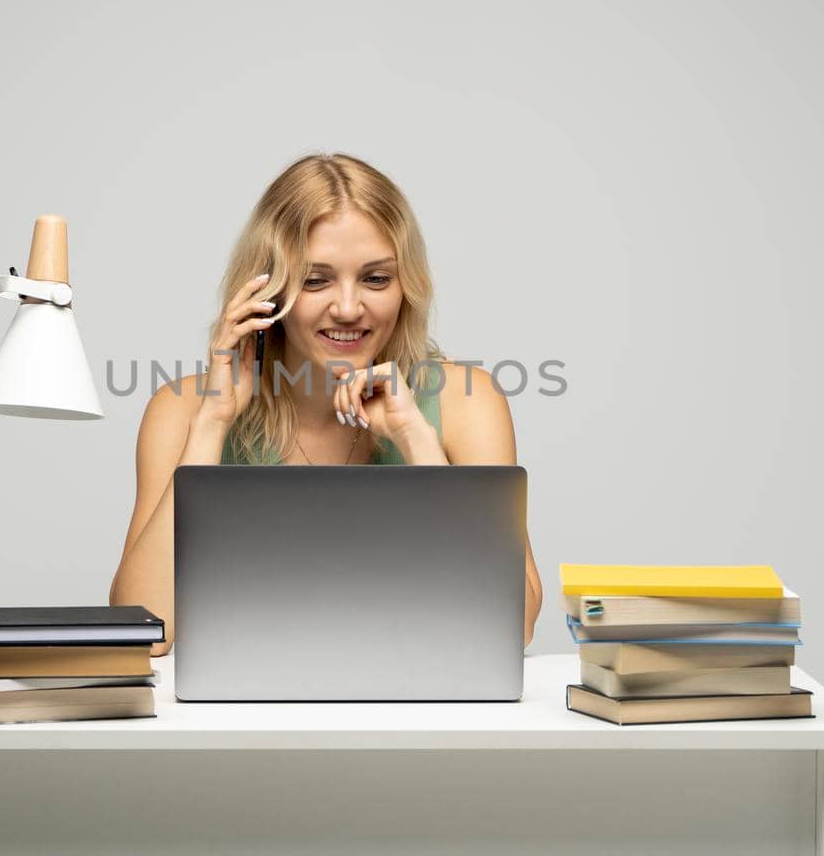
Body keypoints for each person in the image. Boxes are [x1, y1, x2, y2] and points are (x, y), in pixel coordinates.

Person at [110, 153, 541, 656]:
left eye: (376, 279)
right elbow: (144, 633)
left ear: (407, 289)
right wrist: (212, 422)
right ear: (268, 291)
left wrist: (418, 440)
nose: (349, 308)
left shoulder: (466, 402)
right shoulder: (182, 410)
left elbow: (514, 626)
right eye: (315, 280)